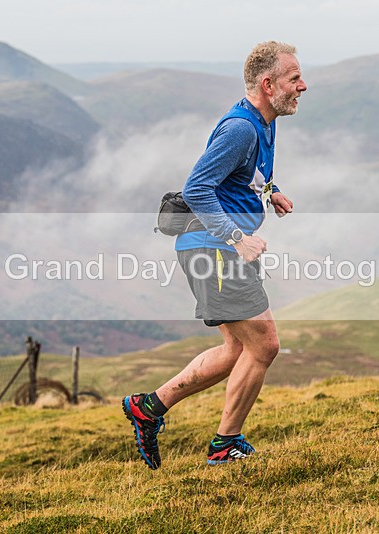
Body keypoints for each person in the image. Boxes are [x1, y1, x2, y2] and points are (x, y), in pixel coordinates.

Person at [123, 41, 307, 469]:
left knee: (236, 350)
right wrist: (237, 239)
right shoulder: (241, 128)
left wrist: (270, 191)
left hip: (218, 248)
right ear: (268, 84)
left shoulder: (265, 121)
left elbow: (243, 175)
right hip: (215, 248)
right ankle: (224, 445)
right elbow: (197, 188)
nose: (303, 86)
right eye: (294, 78)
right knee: (264, 345)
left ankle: (148, 407)